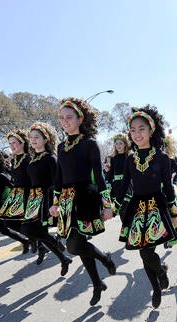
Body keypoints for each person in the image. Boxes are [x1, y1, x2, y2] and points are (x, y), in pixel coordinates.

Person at [49, 97, 116, 306]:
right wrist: (56, 202)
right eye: (61, 118)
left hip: (85, 198)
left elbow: (99, 176)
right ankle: (98, 281)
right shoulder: (61, 147)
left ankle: (104, 262)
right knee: (77, 245)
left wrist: (107, 205)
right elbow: (58, 178)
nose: (65, 121)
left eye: (69, 117)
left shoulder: (89, 144)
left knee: (75, 245)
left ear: (80, 119)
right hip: (67, 202)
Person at [115, 105, 177, 308]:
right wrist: (113, 207)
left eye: (141, 129)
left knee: (146, 252)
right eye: (133, 130)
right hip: (136, 208)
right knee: (144, 252)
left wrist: (174, 214)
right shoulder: (130, 159)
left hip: (156, 208)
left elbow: (168, 188)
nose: (137, 134)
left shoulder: (162, 158)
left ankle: (160, 274)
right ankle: (158, 282)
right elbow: (124, 185)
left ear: (151, 130)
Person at [20, 121, 72, 274]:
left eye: (37, 137)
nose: (33, 140)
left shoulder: (51, 158)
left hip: (46, 198)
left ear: (46, 139)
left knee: (34, 230)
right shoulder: (32, 159)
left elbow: (57, 182)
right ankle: (62, 257)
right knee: (31, 230)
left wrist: (55, 203)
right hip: (33, 198)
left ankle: (57, 250)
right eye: (31, 137)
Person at [106, 133, 131, 211]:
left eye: (120, 143)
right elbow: (110, 174)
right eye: (116, 144)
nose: (118, 145)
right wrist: (108, 182)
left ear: (125, 144)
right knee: (120, 211)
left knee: (126, 209)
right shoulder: (113, 158)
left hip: (127, 185)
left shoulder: (129, 157)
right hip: (116, 186)